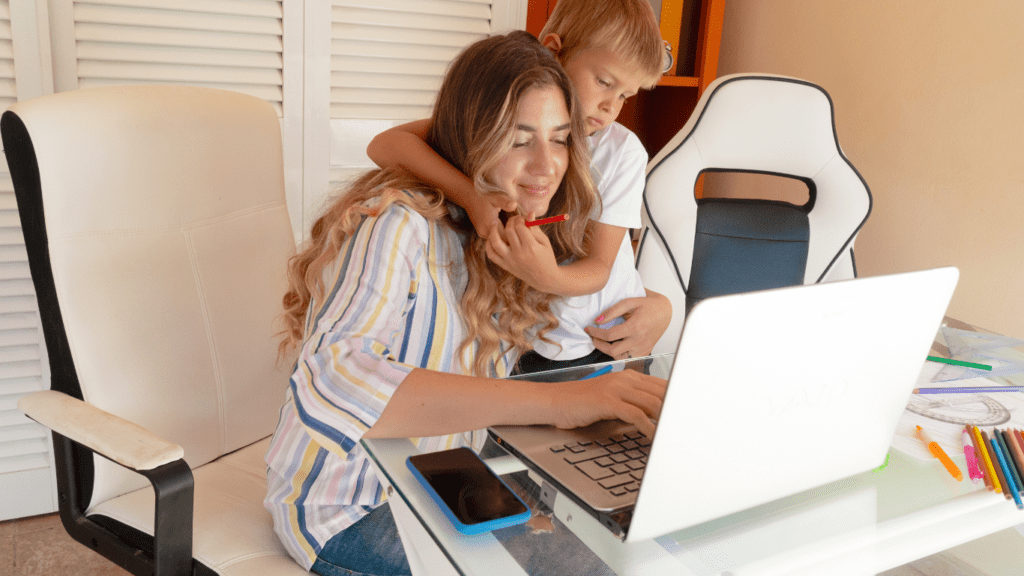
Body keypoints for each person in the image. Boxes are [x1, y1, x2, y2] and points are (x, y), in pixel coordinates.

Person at [265, 31, 668, 576]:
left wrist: (657, 305)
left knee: (626, 550)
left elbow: (590, 292)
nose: (547, 166)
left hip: (445, 481)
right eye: (519, 138)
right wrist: (557, 404)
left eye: (561, 138)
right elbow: (330, 379)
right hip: (350, 508)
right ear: (470, 138)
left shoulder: (513, 235)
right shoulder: (398, 224)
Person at [368, 0, 669, 373]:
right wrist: (472, 197)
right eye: (604, 83)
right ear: (554, 52)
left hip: (594, 340)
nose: (610, 107)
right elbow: (384, 144)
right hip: (522, 331)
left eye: (626, 95)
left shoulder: (620, 152)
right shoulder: (499, 119)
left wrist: (549, 277)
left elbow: (600, 267)